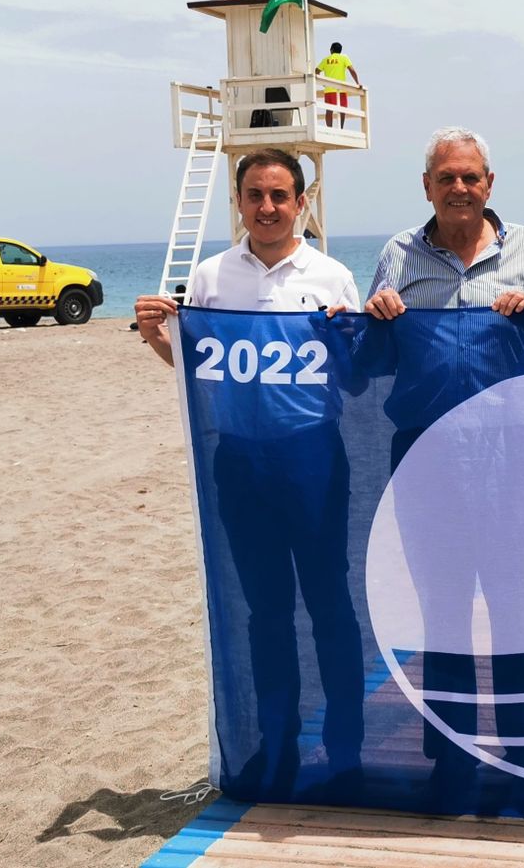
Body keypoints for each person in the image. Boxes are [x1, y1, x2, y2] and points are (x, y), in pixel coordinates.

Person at [133, 149, 367, 802]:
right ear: (237, 201)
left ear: (301, 202)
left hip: (312, 457)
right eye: (255, 194)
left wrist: (354, 339)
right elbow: (194, 370)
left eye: (280, 195)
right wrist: (157, 334)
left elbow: (354, 378)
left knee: (328, 607)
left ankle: (345, 748)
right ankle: (276, 745)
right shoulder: (210, 279)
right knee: (265, 612)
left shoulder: (330, 276)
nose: (267, 207)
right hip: (238, 461)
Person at [364, 127, 524, 816]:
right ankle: (452, 760)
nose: (459, 188)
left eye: (470, 177)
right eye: (446, 177)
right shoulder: (397, 255)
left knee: (515, 612)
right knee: (442, 615)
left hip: (517, 460)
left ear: (489, 183)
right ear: (427, 186)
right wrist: (376, 318)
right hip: (427, 461)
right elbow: (371, 363)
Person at [315, 41, 360, 129]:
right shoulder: (344, 58)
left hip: (329, 90)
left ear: (331, 50)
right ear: (340, 51)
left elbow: (316, 71)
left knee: (329, 110)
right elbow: (352, 71)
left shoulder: (325, 60)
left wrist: (321, 82)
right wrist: (357, 83)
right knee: (342, 110)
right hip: (341, 90)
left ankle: (329, 129)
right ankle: (341, 128)